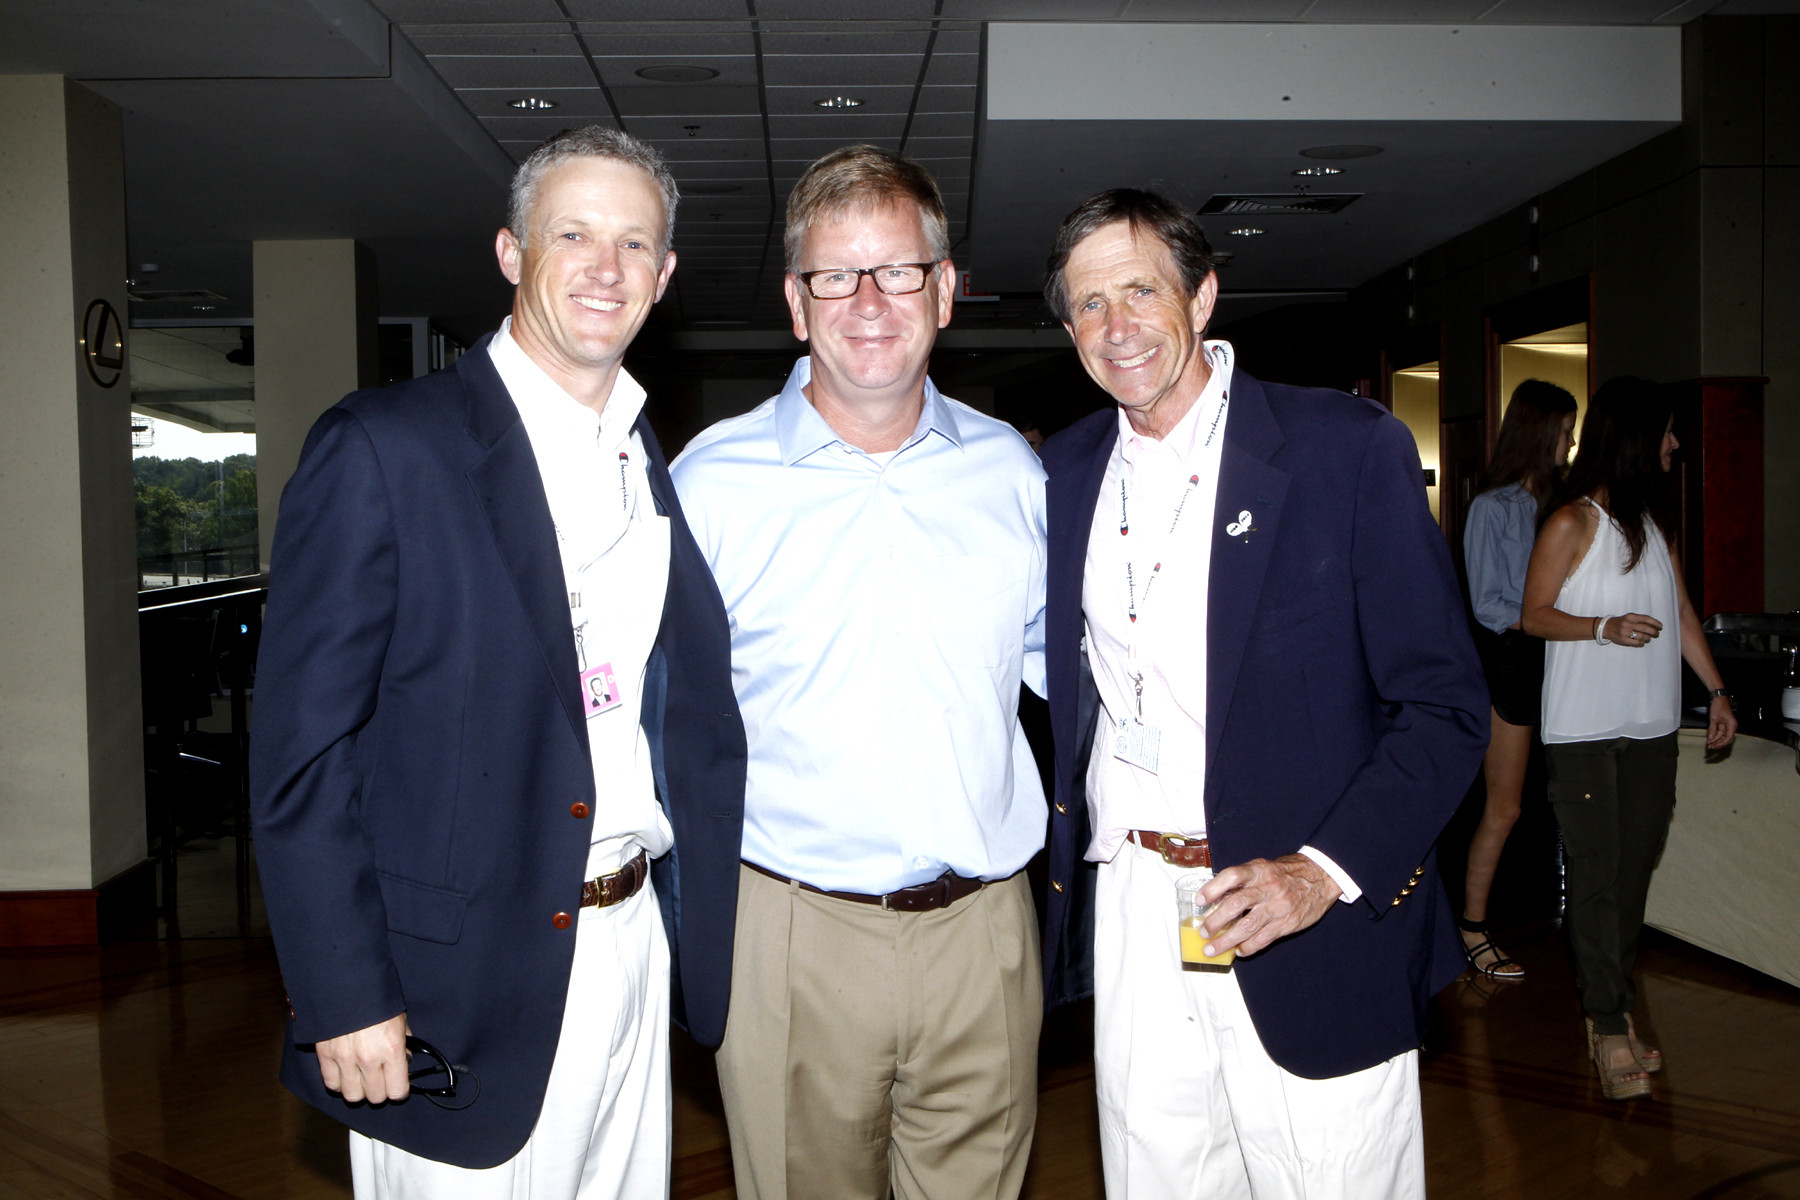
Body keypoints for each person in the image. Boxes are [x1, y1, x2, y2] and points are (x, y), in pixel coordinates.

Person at [248, 126, 747, 1199]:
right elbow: (302, 752)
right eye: (572, 233)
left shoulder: (640, 457)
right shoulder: (387, 446)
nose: (603, 268)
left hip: (628, 945)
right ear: (513, 253)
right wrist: (342, 992)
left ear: (662, 279)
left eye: (633, 245)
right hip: (455, 979)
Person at [1037, 188, 1488, 1199]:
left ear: (1201, 297)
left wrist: (1325, 871)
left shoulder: (1343, 449)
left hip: (1302, 915)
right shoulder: (1060, 474)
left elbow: (1447, 706)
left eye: (1140, 291)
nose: (1118, 328)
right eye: (1089, 306)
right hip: (1137, 915)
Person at [670, 144, 1048, 1200]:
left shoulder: (1013, 476)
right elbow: (654, 717)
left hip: (984, 937)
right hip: (793, 934)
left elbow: (1084, 671)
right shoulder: (711, 484)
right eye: (837, 274)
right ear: (797, 303)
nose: (870, 301)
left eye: (899, 270)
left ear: (947, 290)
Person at [1520, 375, 1735, 1101]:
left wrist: (1716, 691)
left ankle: (1610, 1002)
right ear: (1640, 438)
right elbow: (1533, 615)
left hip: (1650, 726)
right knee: (1598, 872)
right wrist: (1601, 628)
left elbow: (1680, 609)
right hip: (1582, 730)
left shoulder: (1653, 525)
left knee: (1634, 871)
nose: (1677, 444)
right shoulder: (1571, 523)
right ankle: (1609, 1021)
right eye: (1669, 432)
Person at [1458, 379, 1578, 979]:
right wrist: (1566, 623)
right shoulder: (1492, 507)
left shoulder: (1565, 505)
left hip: (1561, 663)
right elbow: (1488, 606)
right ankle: (1472, 927)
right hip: (1510, 667)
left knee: (1566, 799)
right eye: (1564, 431)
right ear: (1540, 433)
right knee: (1503, 808)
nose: (1572, 442)